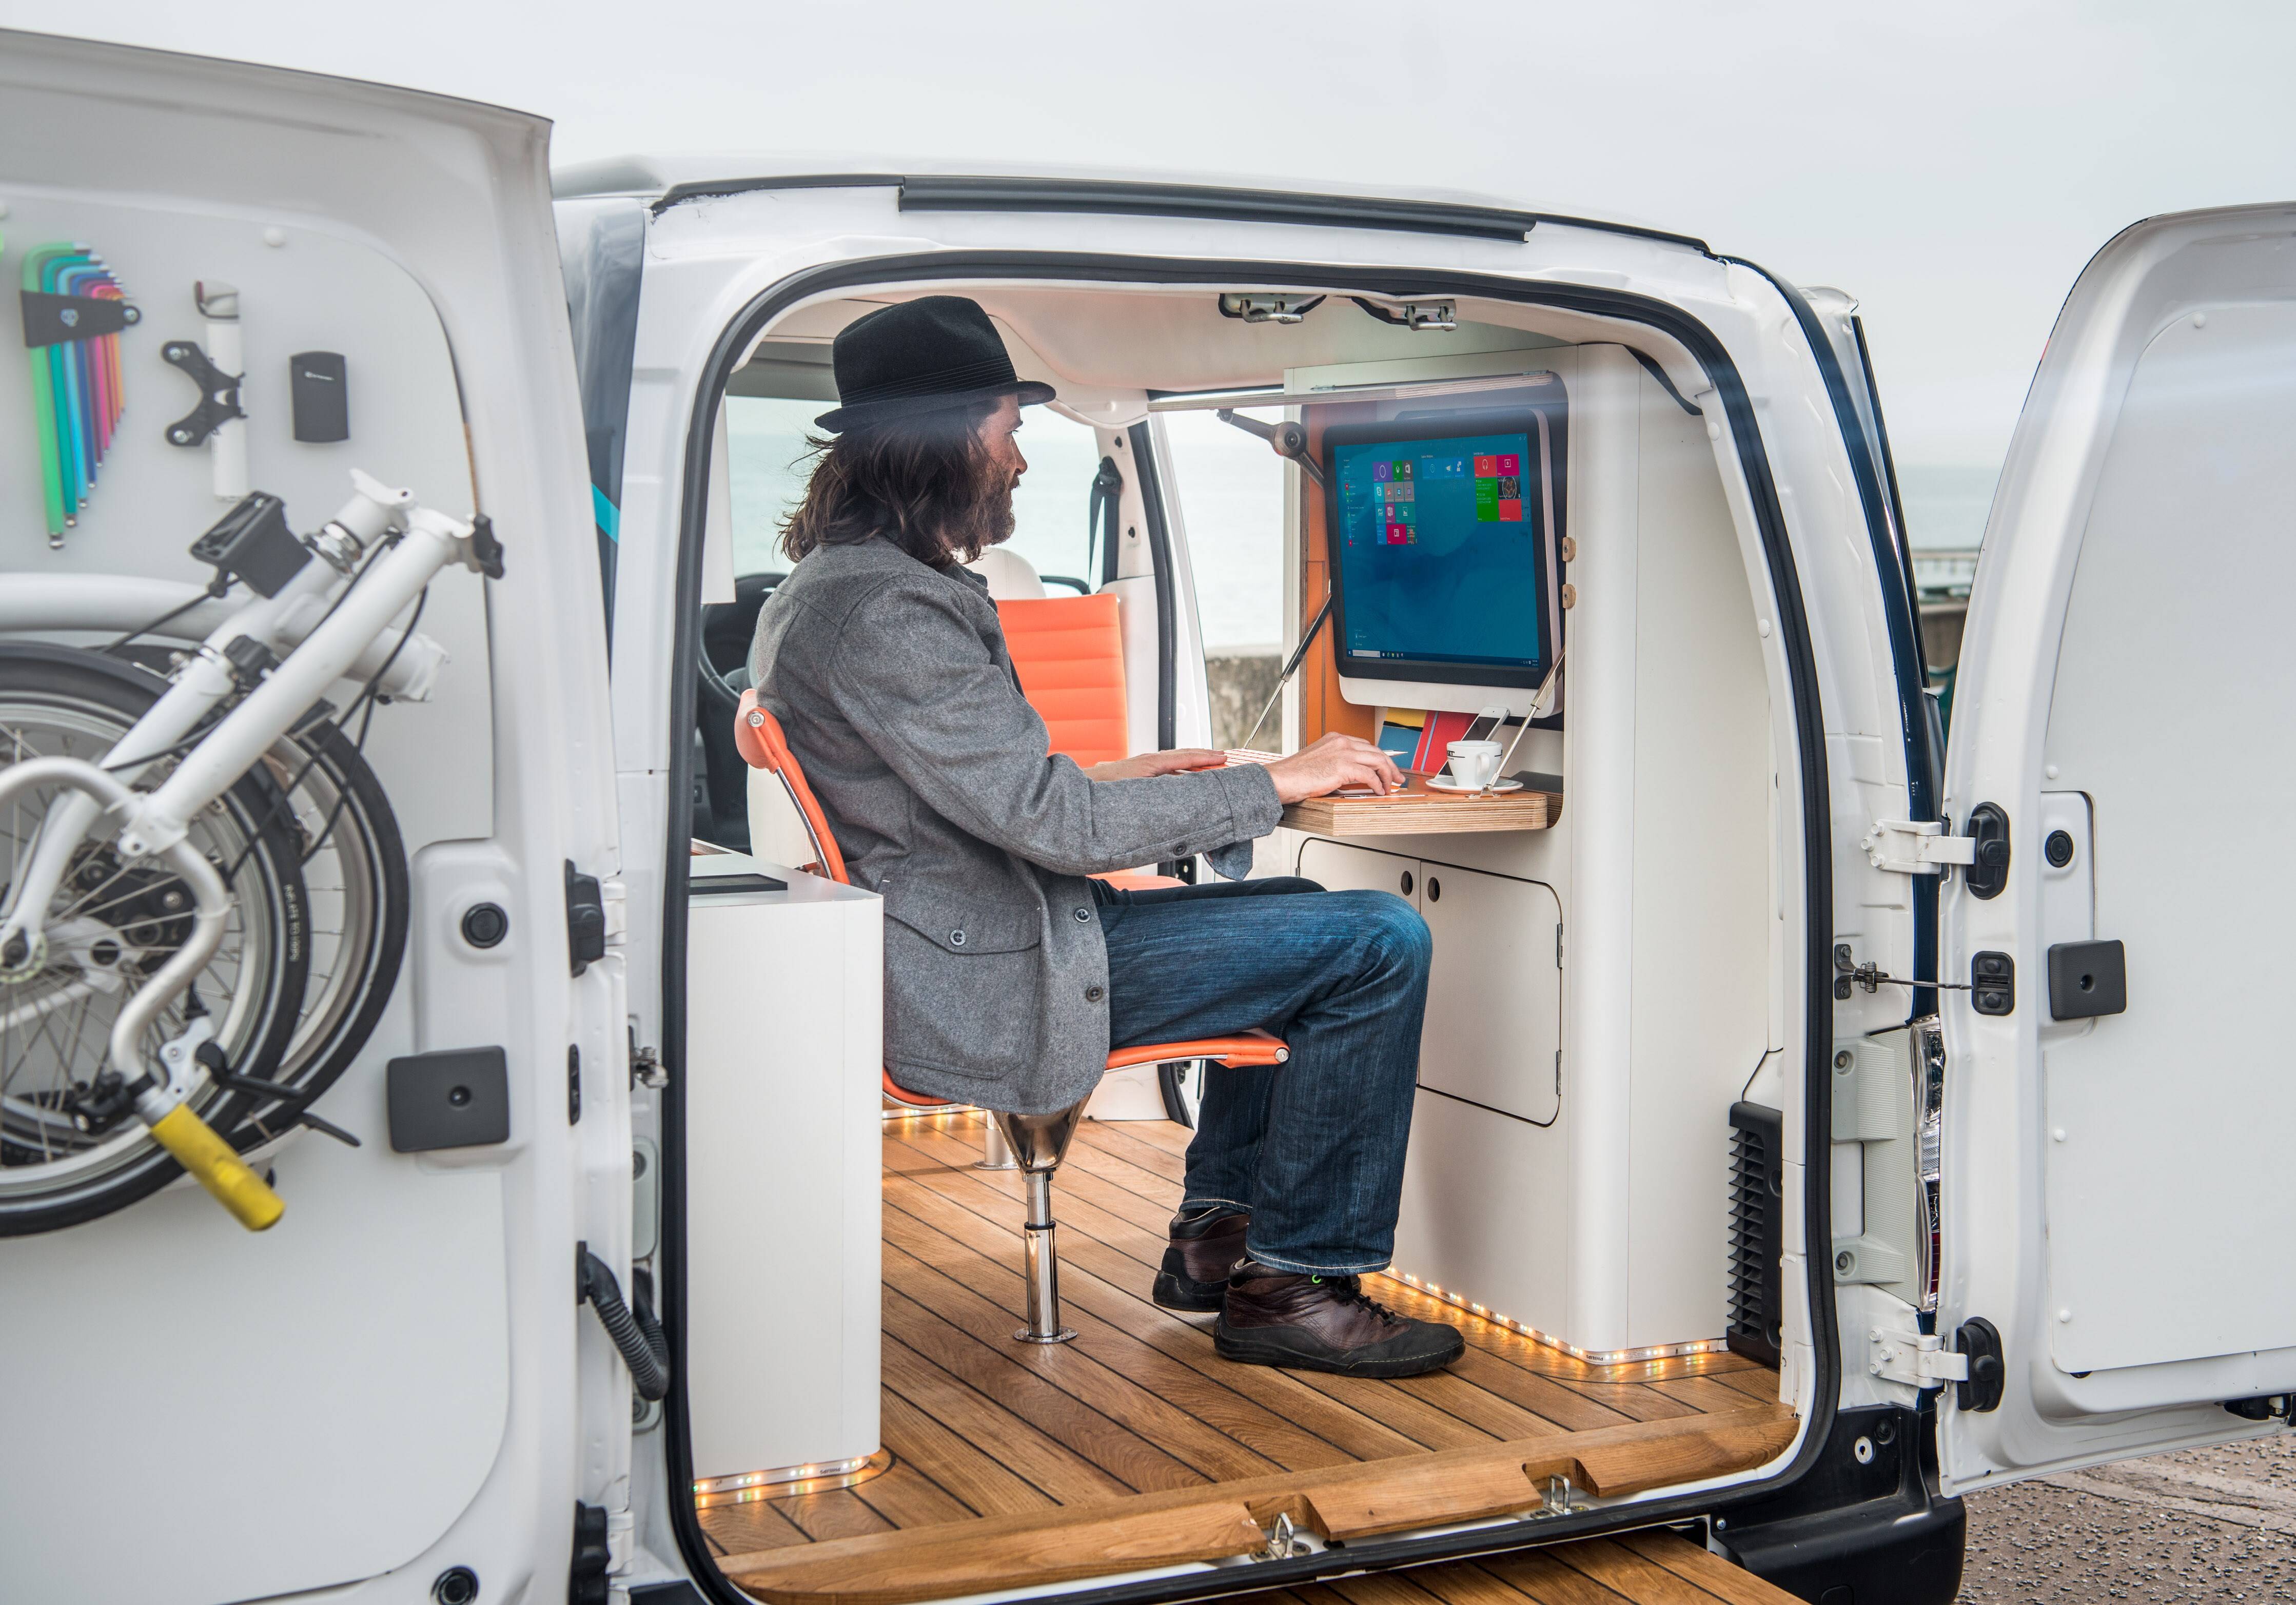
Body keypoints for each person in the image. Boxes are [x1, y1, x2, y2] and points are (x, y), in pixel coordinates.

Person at [748, 296, 1462, 1377]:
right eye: (1009, 430)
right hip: (999, 969)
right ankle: (1294, 1282)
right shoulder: (886, 613)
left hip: (983, 931)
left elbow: (983, 791)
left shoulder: (845, 591)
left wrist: (1135, 775)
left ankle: (1220, 1238)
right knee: (1377, 940)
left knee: (1306, 917)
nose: (1022, 461)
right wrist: (1277, 778)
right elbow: (1057, 826)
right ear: (945, 445)